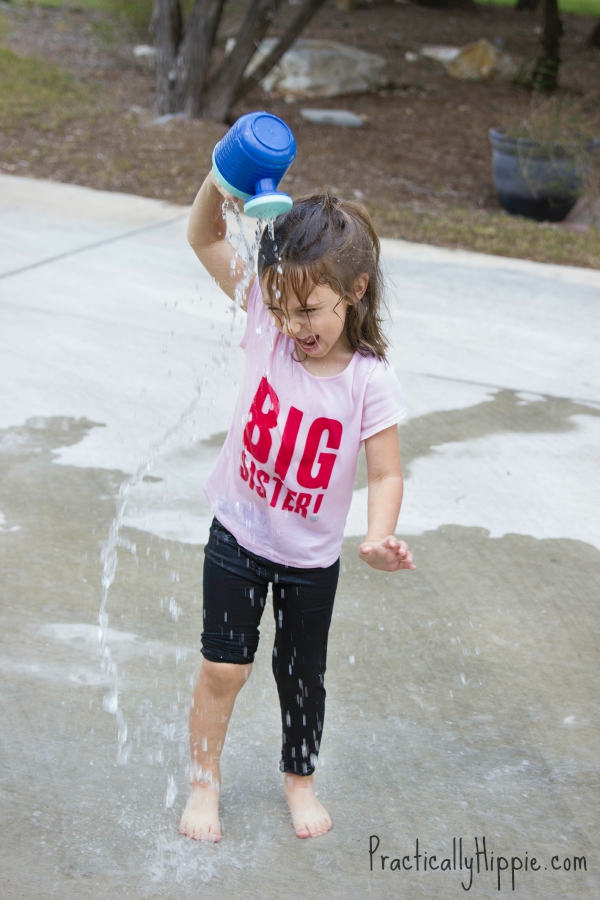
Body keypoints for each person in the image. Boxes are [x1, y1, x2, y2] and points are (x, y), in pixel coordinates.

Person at [178, 172, 415, 843]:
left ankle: (299, 782)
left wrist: (378, 534)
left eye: (308, 310)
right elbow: (202, 234)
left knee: (301, 676)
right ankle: (204, 784)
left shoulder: (370, 380)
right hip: (237, 532)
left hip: (311, 558)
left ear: (355, 291)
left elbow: (387, 470)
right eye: (281, 307)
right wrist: (215, 178)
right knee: (225, 666)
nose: (291, 324)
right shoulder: (265, 318)